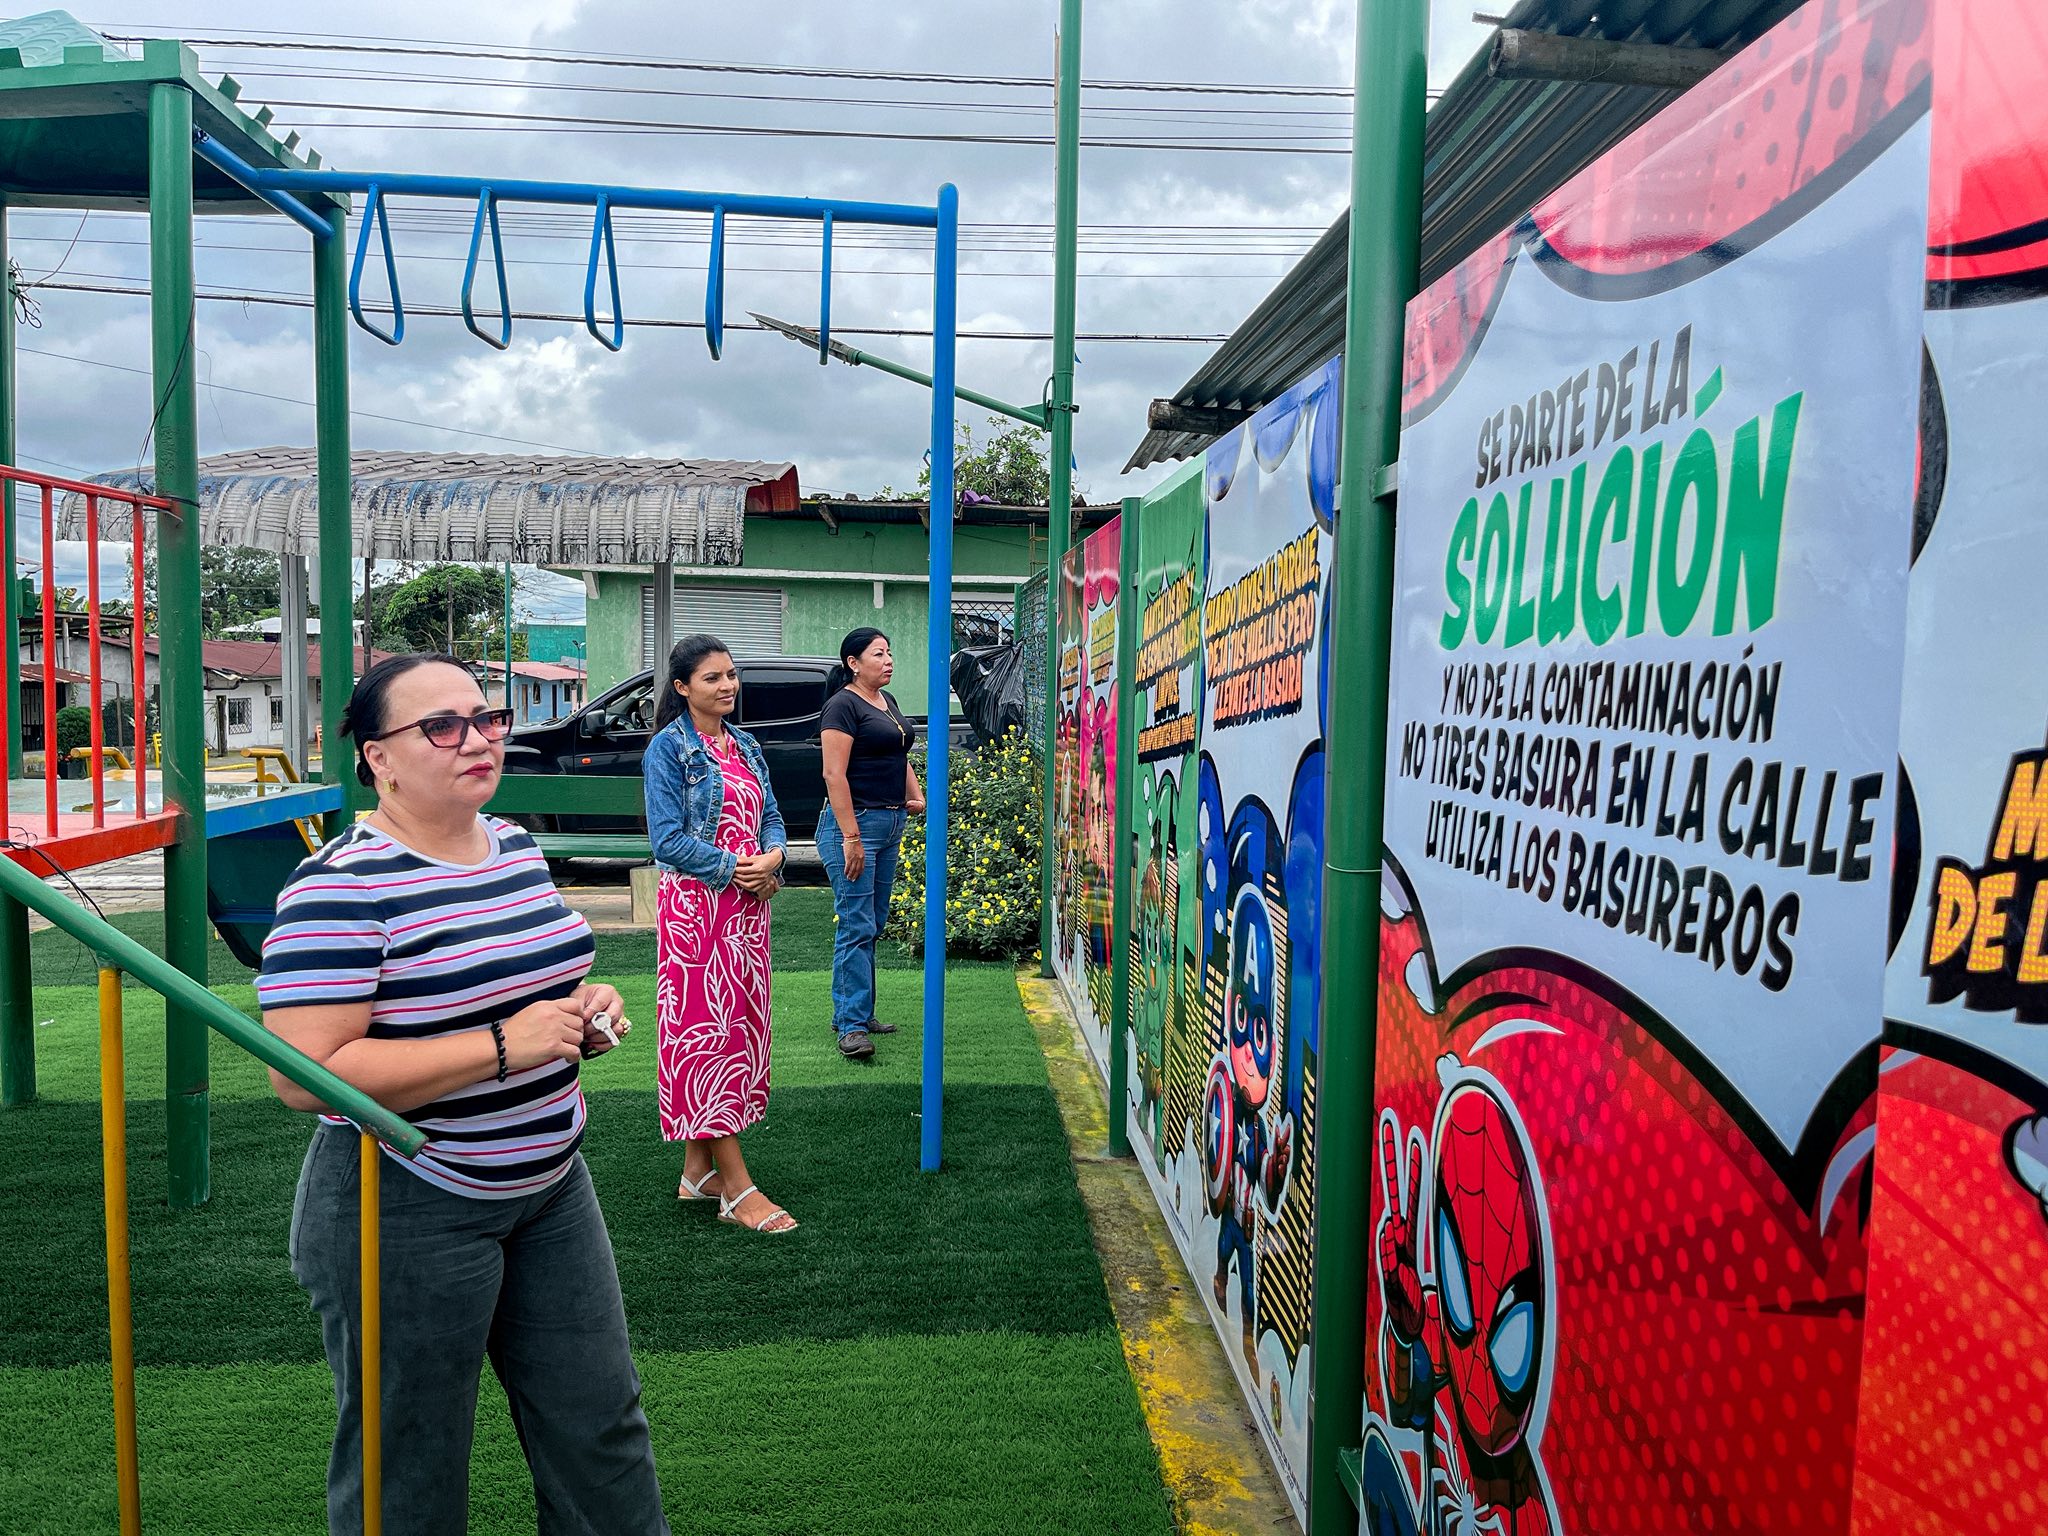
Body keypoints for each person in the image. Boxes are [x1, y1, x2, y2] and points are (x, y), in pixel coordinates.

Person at [257, 653, 667, 1536]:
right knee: (411, 1459)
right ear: (378, 758)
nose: (477, 740)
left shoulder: (511, 844)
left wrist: (582, 1010)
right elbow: (300, 1073)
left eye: (487, 718)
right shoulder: (340, 886)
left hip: (550, 1183)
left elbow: (527, 987)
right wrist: (502, 1047)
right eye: (441, 727)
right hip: (404, 1196)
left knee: (601, 1429)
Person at [642, 634, 794, 1233]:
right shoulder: (668, 749)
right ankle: (736, 1187)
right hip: (697, 917)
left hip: (748, 915)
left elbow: (772, 816)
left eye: (731, 674)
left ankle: (696, 1172)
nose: (728, 685)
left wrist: (773, 859)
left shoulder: (745, 744)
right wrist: (737, 867)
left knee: (739, 1032)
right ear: (683, 687)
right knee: (705, 1040)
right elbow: (667, 841)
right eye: (713, 677)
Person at [817, 627, 925, 1060]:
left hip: (890, 822)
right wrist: (851, 837)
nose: (888, 659)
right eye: (878, 653)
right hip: (855, 824)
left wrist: (916, 795)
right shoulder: (842, 705)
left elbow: (898, 754)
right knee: (857, 924)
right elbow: (833, 774)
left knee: (872, 922)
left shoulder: (886, 701)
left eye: (889, 652)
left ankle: (857, 1011)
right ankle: (851, 1026)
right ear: (853, 663)